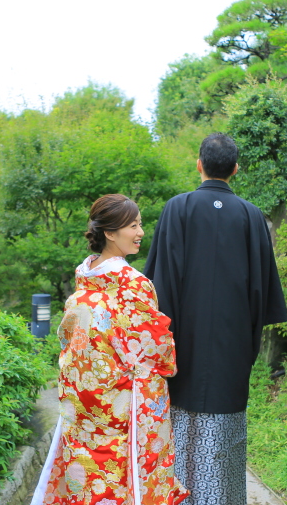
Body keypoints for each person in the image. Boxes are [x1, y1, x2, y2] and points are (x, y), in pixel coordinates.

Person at [143, 133, 287, 505]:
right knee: (223, 435)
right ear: (235, 169)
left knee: (178, 428)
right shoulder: (252, 216)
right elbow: (262, 291)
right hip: (231, 346)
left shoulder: (178, 208)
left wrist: (163, 340)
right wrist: (245, 338)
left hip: (181, 347)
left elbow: (159, 286)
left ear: (199, 164)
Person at [32, 194, 189, 505]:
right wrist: (166, 365)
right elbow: (156, 346)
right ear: (109, 232)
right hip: (125, 400)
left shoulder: (84, 280)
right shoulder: (132, 283)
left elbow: (72, 340)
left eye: (140, 224)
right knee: (125, 472)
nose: (141, 232)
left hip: (84, 399)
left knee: (87, 472)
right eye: (133, 225)